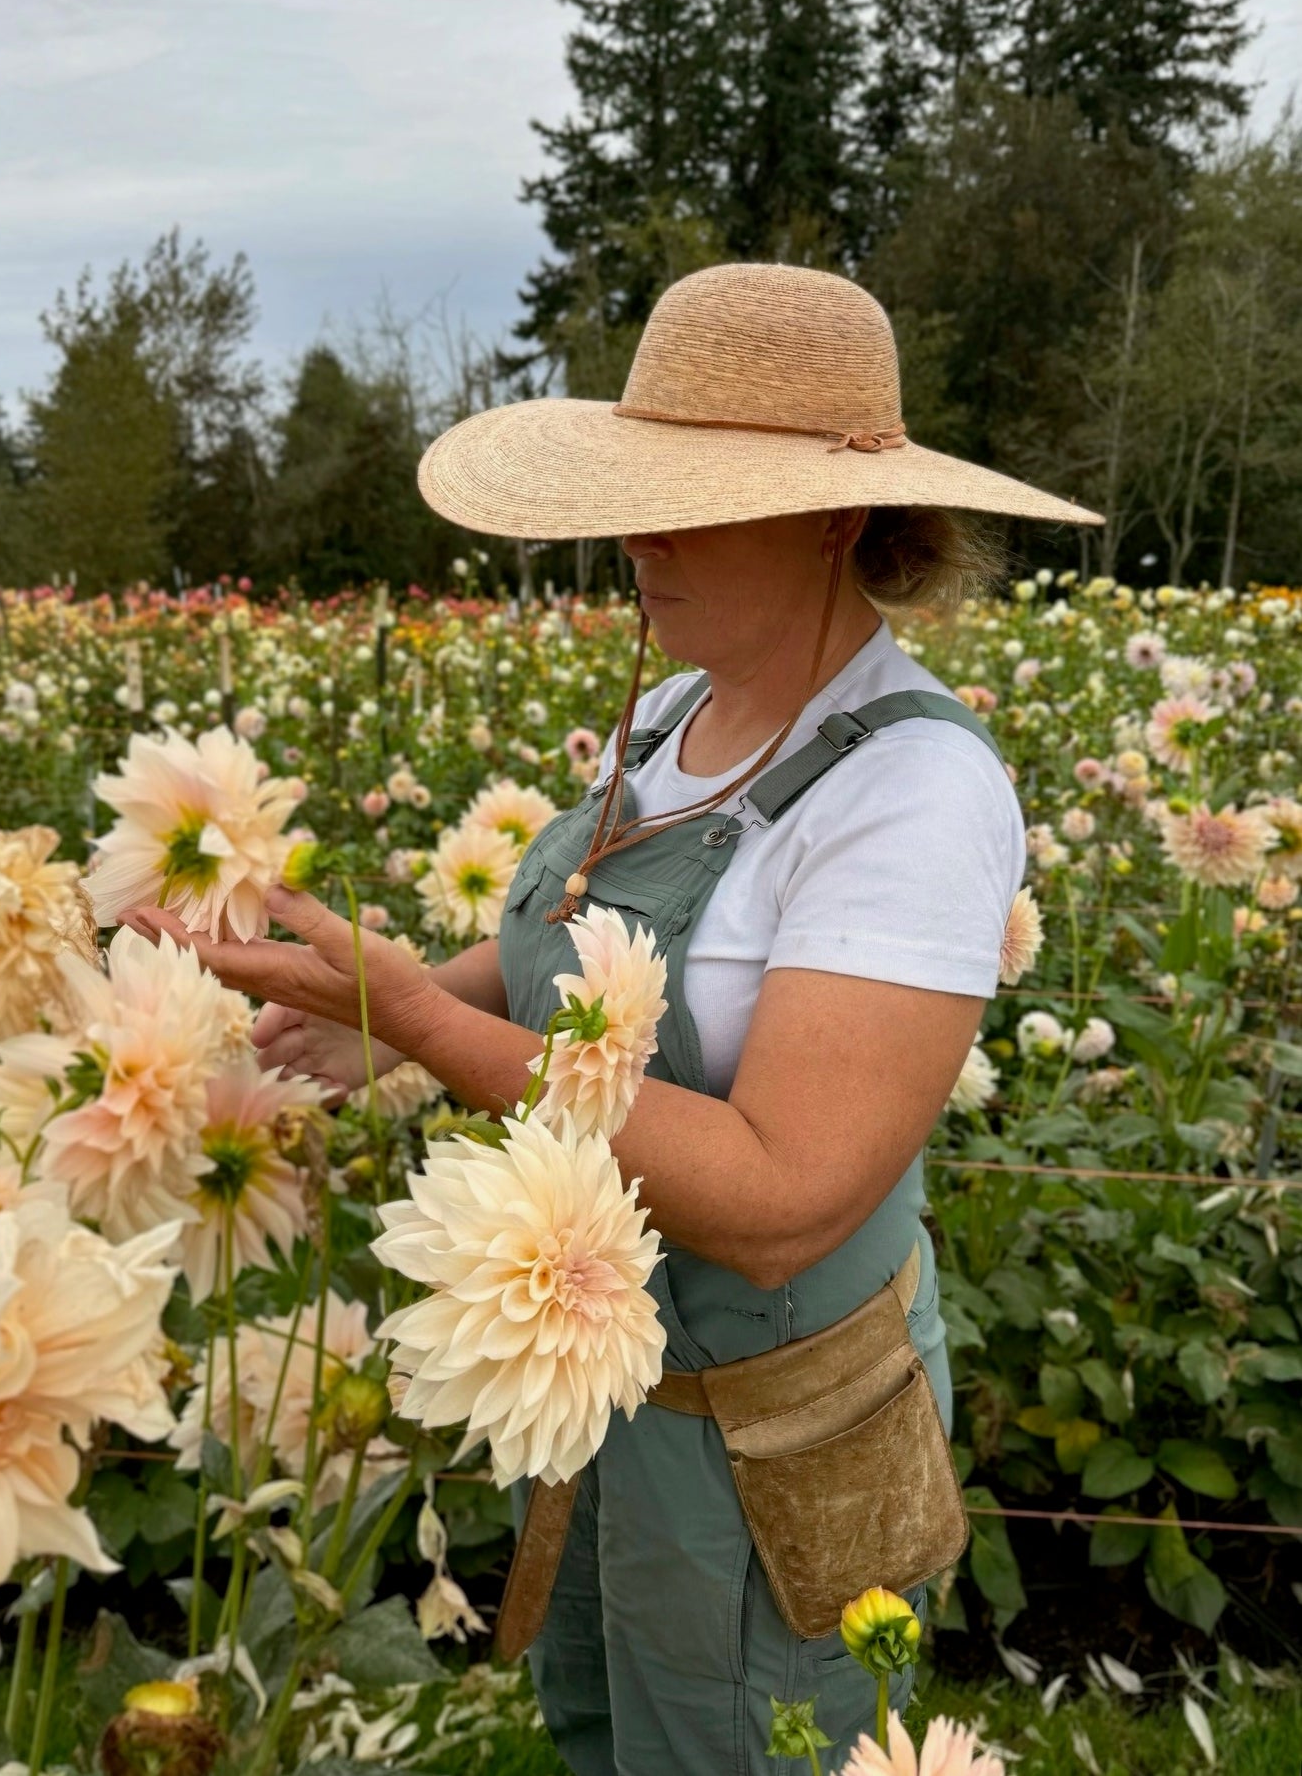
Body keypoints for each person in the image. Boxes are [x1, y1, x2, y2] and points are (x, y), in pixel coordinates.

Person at [122, 263, 1100, 1774]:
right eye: (634, 492)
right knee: (603, 1737)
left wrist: (429, 1034)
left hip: (771, 1444)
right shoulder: (673, 710)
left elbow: (781, 1197)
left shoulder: (911, 792)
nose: (637, 539)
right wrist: (356, 1003)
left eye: (689, 499)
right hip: (596, 1391)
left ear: (837, 517)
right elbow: (568, 968)